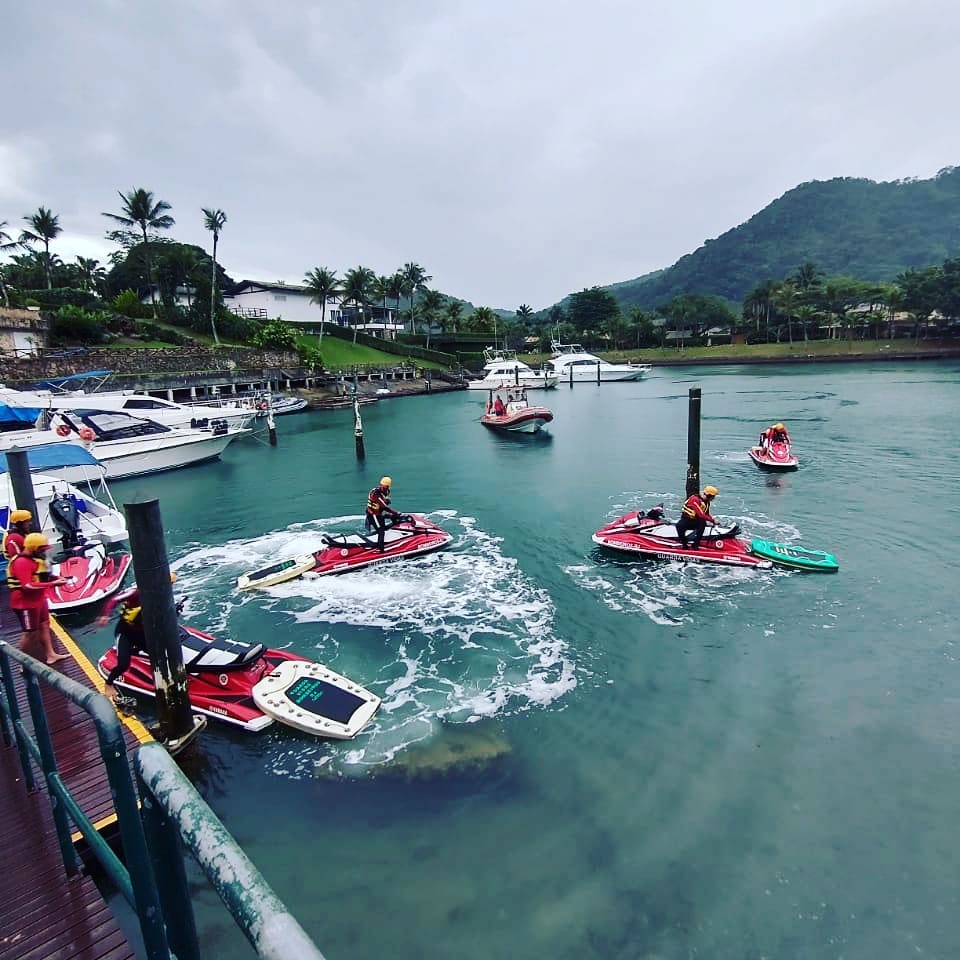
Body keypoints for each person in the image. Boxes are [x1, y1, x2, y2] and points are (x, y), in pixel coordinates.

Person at [97, 573, 178, 702]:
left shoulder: (162, 599)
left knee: (160, 656)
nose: (167, 588)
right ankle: (109, 683)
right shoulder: (136, 593)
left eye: (170, 586)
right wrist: (105, 615)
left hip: (142, 635)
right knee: (124, 664)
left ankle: (164, 680)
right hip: (125, 633)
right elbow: (114, 600)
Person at [6, 532, 70, 664]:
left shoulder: (36, 560)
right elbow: (27, 585)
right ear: (34, 548)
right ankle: (23, 662)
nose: (44, 552)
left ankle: (50, 654)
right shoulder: (21, 562)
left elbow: (40, 576)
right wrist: (53, 584)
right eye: (42, 549)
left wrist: (55, 578)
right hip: (25, 603)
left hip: (39, 600)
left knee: (45, 625)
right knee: (30, 634)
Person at [675, 486, 719, 551]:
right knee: (679, 526)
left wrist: (713, 521)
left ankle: (696, 544)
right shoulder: (694, 499)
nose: (713, 499)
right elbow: (701, 515)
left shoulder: (707, 502)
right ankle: (684, 545)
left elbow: (706, 514)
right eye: (713, 497)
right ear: (709, 495)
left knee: (702, 523)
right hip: (686, 520)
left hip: (696, 521)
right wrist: (713, 520)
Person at [365, 476, 401, 552]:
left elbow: (385, 502)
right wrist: (395, 513)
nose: (383, 488)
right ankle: (381, 550)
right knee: (381, 531)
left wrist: (387, 501)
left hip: (378, 514)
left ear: (388, 487)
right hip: (372, 515)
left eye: (385, 487)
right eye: (382, 486)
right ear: (380, 484)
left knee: (385, 524)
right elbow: (384, 507)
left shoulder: (386, 491)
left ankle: (390, 523)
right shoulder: (375, 493)